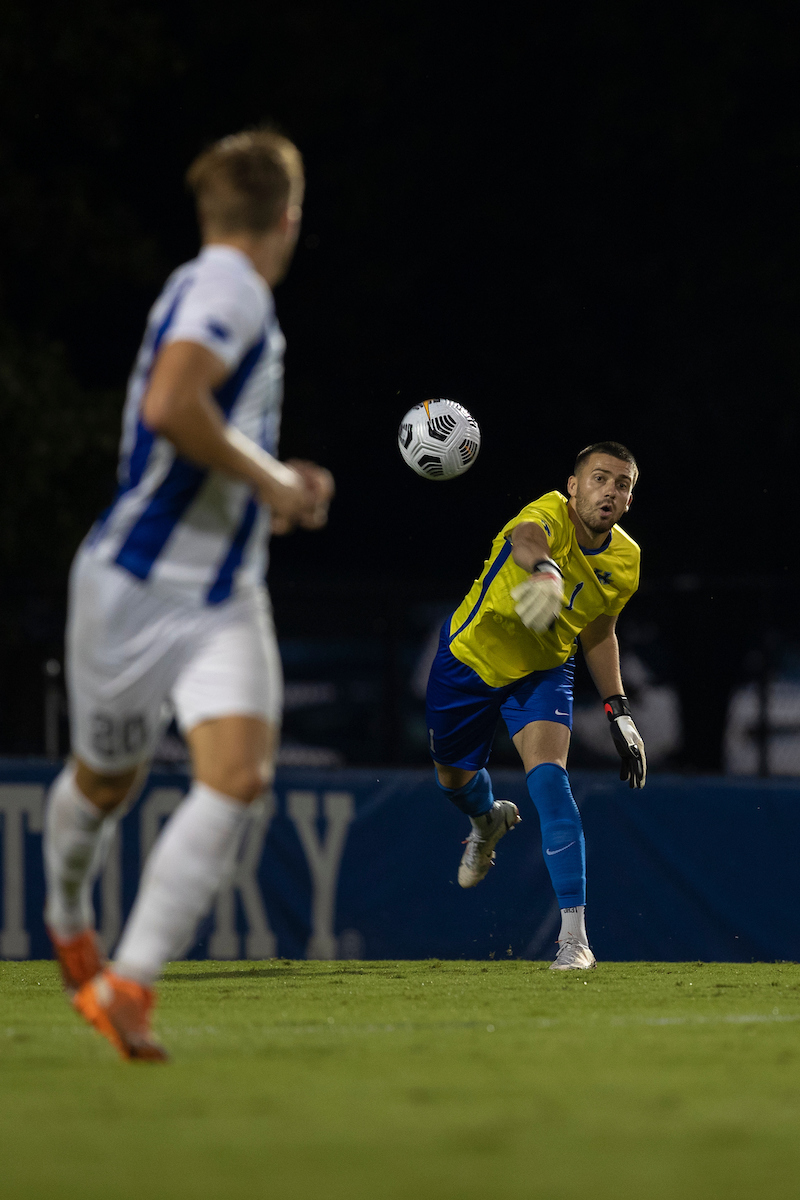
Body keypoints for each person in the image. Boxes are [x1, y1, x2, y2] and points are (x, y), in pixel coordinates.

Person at [42, 128, 334, 1059]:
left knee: (240, 775)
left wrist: (272, 486)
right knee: (104, 783)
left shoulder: (209, 284)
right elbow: (173, 405)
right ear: (286, 219)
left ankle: (129, 985)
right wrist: (273, 485)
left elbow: (204, 423)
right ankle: (65, 913)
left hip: (221, 597)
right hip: (133, 587)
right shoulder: (230, 287)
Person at [426, 442, 645, 970]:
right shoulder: (546, 514)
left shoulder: (626, 560)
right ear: (573, 486)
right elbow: (527, 541)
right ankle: (485, 821)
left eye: (622, 484)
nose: (610, 491)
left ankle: (575, 941)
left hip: (544, 670)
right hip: (471, 659)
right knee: (451, 780)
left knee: (550, 781)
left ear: (629, 499)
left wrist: (619, 710)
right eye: (599, 478)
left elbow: (599, 632)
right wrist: (546, 570)